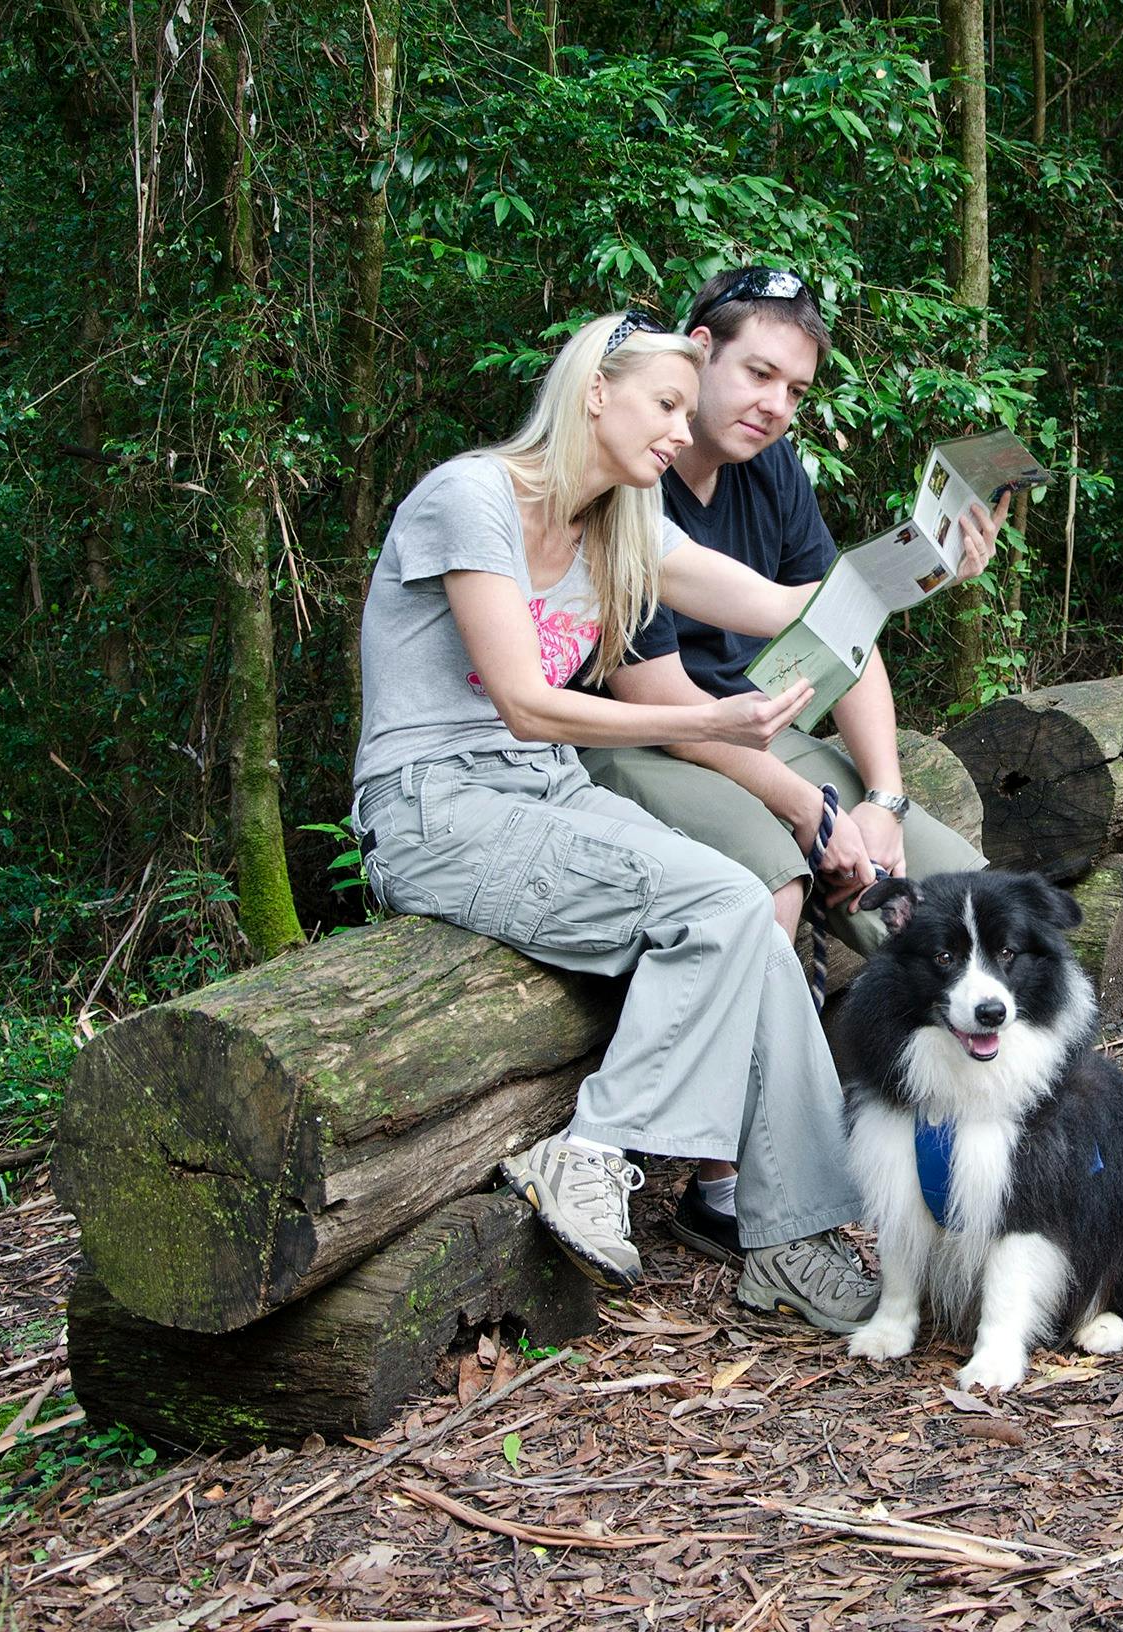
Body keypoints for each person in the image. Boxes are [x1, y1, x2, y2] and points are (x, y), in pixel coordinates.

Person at [350, 309, 877, 1334]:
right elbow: (523, 701)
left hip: (547, 797)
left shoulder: (622, 525)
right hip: (432, 804)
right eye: (667, 404)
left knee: (761, 946)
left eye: (689, 409)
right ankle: (595, 1150)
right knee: (728, 903)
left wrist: (927, 561)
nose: (684, 432)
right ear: (596, 391)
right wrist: (707, 716)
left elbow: (786, 605)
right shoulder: (473, 497)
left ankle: (790, 1239)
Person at [578, 268, 1007, 1259]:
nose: (774, 404)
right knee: (766, 883)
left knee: (961, 900)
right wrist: (814, 816)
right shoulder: (633, 474)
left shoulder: (773, 472)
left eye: (797, 389)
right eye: (757, 373)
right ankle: (728, 1184)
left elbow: (842, 630)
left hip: (770, 725)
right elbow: (661, 707)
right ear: (696, 351)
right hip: (654, 737)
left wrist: (885, 799)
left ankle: (981, 1155)